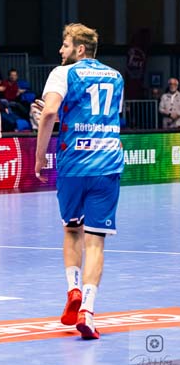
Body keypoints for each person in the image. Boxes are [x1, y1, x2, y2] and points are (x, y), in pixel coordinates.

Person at [35, 23, 124, 340]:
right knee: (95, 240)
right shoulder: (116, 76)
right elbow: (98, 115)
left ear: (80, 49)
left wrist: (40, 156)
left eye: (65, 44)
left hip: (74, 164)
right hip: (107, 164)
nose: (61, 50)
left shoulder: (62, 73)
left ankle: (72, 288)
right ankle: (87, 308)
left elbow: (49, 113)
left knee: (72, 230)